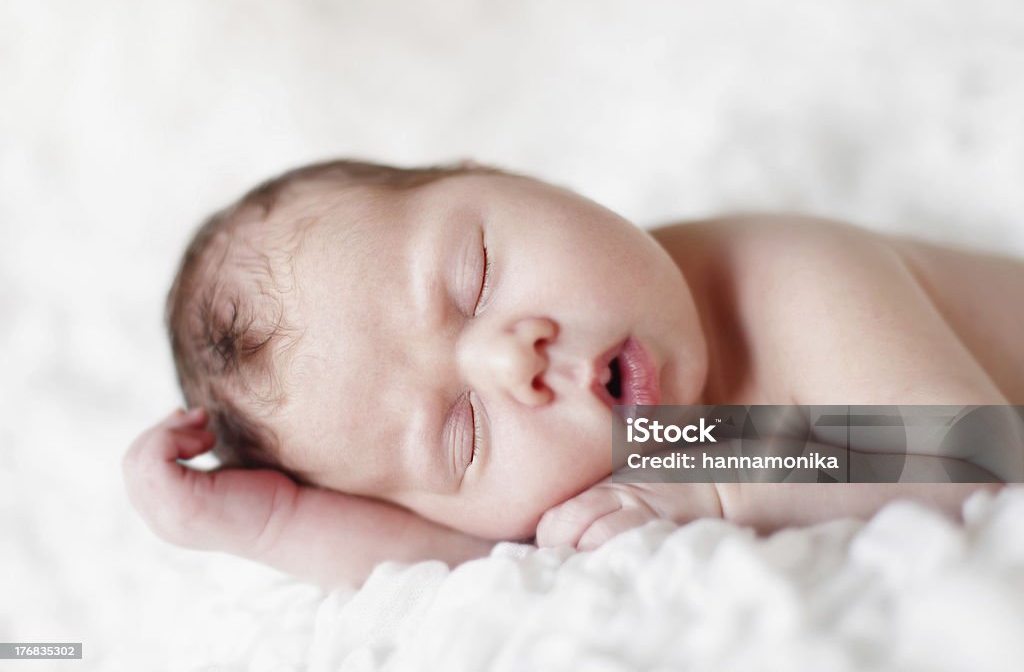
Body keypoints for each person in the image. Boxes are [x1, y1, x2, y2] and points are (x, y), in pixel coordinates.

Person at [122, 160, 1022, 588]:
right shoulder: (573, 482)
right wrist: (271, 522)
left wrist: (712, 482)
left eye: (474, 275)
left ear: (508, 178)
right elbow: (458, 571)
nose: (512, 359)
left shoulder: (785, 272)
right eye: (461, 432)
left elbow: (978, 451)